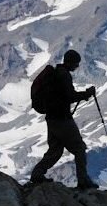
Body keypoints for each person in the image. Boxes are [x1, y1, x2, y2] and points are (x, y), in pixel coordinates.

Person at [29, 49, 100, 190]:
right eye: (76, 64)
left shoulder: (56, 73)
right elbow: (70, 96)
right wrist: (87, 94)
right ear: (72, 62)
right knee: (79, 148)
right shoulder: (64, 75)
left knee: (55, 150)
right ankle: (83, 181)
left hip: (52, 118)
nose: (77, 66)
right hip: (62, 120)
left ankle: (37, 174)